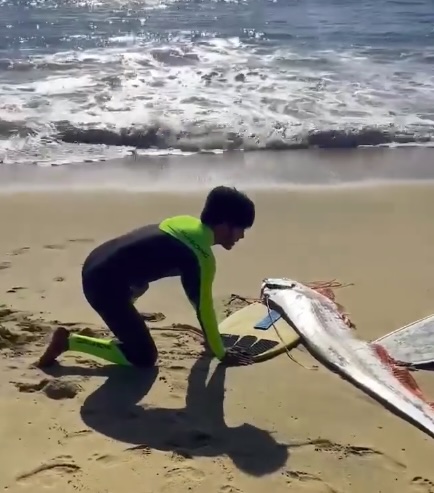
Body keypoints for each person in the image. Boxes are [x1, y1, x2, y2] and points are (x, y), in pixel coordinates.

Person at [37, 186, 255, 369]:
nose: (242, 236)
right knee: (144, 358)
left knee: (141, 283)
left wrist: (211, 340)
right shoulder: (202, 257)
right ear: (225, 225)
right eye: (241, 229)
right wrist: (221, 353)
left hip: (96, 261)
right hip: (102, 286)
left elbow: (195, 299)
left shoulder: (184, 223)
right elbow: (204, 308)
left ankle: (125, 317)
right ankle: (69, 342)